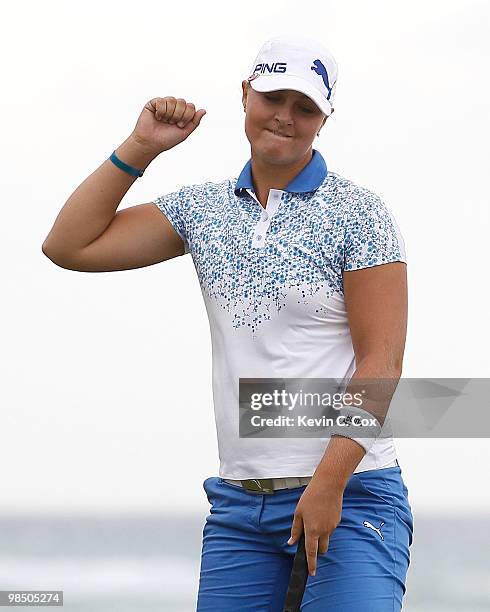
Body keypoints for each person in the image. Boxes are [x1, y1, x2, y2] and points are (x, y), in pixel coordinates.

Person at [42, 34, 413, 611]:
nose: (285, 117)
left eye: (305, 107)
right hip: (240, 509)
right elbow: (68, 246)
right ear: (245, 95)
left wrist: (329, 483)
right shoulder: (203, 211)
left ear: (325, 118)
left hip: (351, 495)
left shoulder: (360, 213)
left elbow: (382, 363)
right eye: (272, 98)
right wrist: (141, 146)